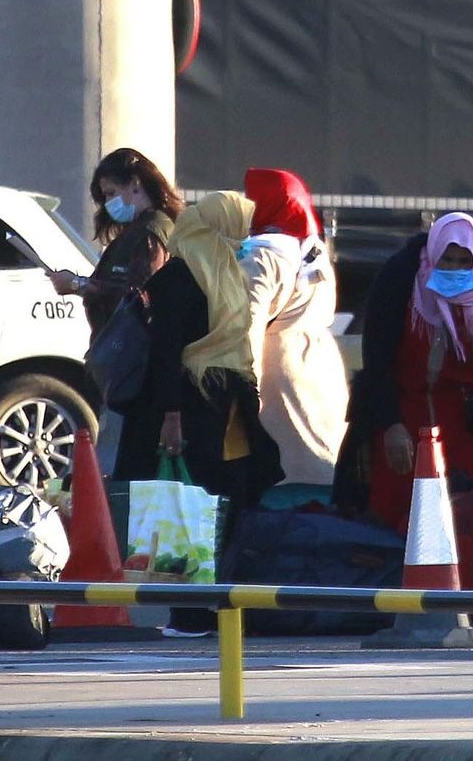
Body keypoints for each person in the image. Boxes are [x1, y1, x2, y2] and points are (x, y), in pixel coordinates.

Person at [348, 212, 473, 534]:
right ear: (432, 254)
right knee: (396, 514)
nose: (455, 269)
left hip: (468, 424)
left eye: (463, 261)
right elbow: (377, 354)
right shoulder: (400, 279)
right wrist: (390, 423)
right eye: (447, 259)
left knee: (464, 518)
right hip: (406, 418)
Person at [49, 147, 182, 480]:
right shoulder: (142, 232)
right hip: (131, 365)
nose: (109, 203)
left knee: (126, 465)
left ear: (135, 184)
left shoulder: (152, 234)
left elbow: (140, 294)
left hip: (137, 368)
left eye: (111, 193)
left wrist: (81, 285)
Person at [147, 191, 283, 503]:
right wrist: (172, 417)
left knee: (233, 493)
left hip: (230, 405)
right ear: (216, 231)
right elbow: (165, 352)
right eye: (239, 232)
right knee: (200, 500)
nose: (244, 241)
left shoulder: (228, 275)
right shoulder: (177, 278)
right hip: (193, 406)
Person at [239, 168, 348, 487]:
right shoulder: (312, 252)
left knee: (281, 476)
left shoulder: (263, 254)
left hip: (277, 372)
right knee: (317, 468)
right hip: (319, 369)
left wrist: (243, 387)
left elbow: (247, 325)